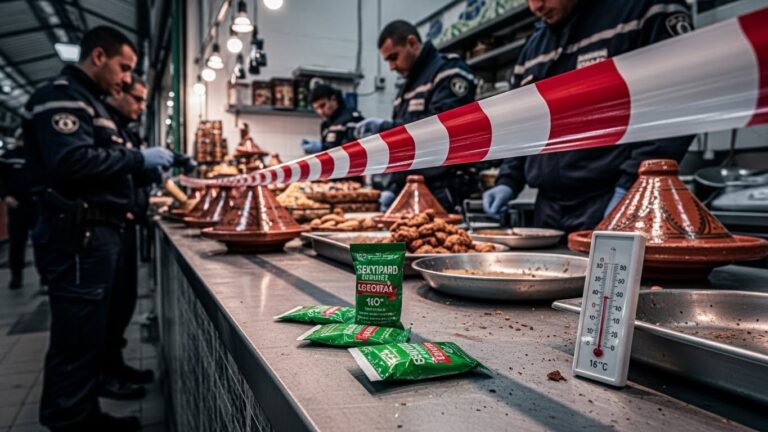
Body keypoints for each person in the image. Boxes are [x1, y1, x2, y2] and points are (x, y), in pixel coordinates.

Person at [24, 26, 173, 432]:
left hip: (97, 234)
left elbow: (106, 161)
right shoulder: (62, 98)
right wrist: (138, 160)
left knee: (90, 332)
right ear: (98, 57)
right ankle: (72, 421)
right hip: (77, 235)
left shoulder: (94, 104)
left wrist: (136, 166)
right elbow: (71, 163)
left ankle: (84, 412)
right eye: (124, 68)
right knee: (76, 336)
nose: (127, 79)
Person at [482, 0, 695, 233]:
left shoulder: (643, 11)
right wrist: (508, 181)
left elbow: (678, 100)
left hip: (614, 197)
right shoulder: (533, 50)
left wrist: (632, 187)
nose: (536, 7)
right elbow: (522, 125)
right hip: (548, 210)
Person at [355, 20, 479, 212]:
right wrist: (393, 186)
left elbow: (443, 126)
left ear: (412, 43)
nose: (391, 66)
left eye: (393, 57)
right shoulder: (404, 90)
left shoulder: (448, 70)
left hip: (443, 190)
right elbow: (403, 149)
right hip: (409, 190)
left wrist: (385, 128)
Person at [102, 73, 158, 400]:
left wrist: (148, 167)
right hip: (94, 228)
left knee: (121, 303)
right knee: (100, 312)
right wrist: (140, 160)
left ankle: (114, 365)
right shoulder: (100, 121)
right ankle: (97, 383)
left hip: (122, 227)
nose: (140, 106)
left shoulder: (123, 130)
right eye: (136, 98)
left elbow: (129, 173)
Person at [0, 129, 36, 289]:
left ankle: (45, 278)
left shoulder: (36, 156)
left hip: (36, 204)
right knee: (17, 242)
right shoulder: (8, 157)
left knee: (43, 240)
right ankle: (16, 276)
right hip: (17, 205)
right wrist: (5, 196)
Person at [300, 83, 364, 154]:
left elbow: (354, 150)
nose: (320, 112)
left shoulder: (351, 119)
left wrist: (322, 148)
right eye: (316, 108)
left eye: (322, 105)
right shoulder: (325, 125)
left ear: (333, 99)